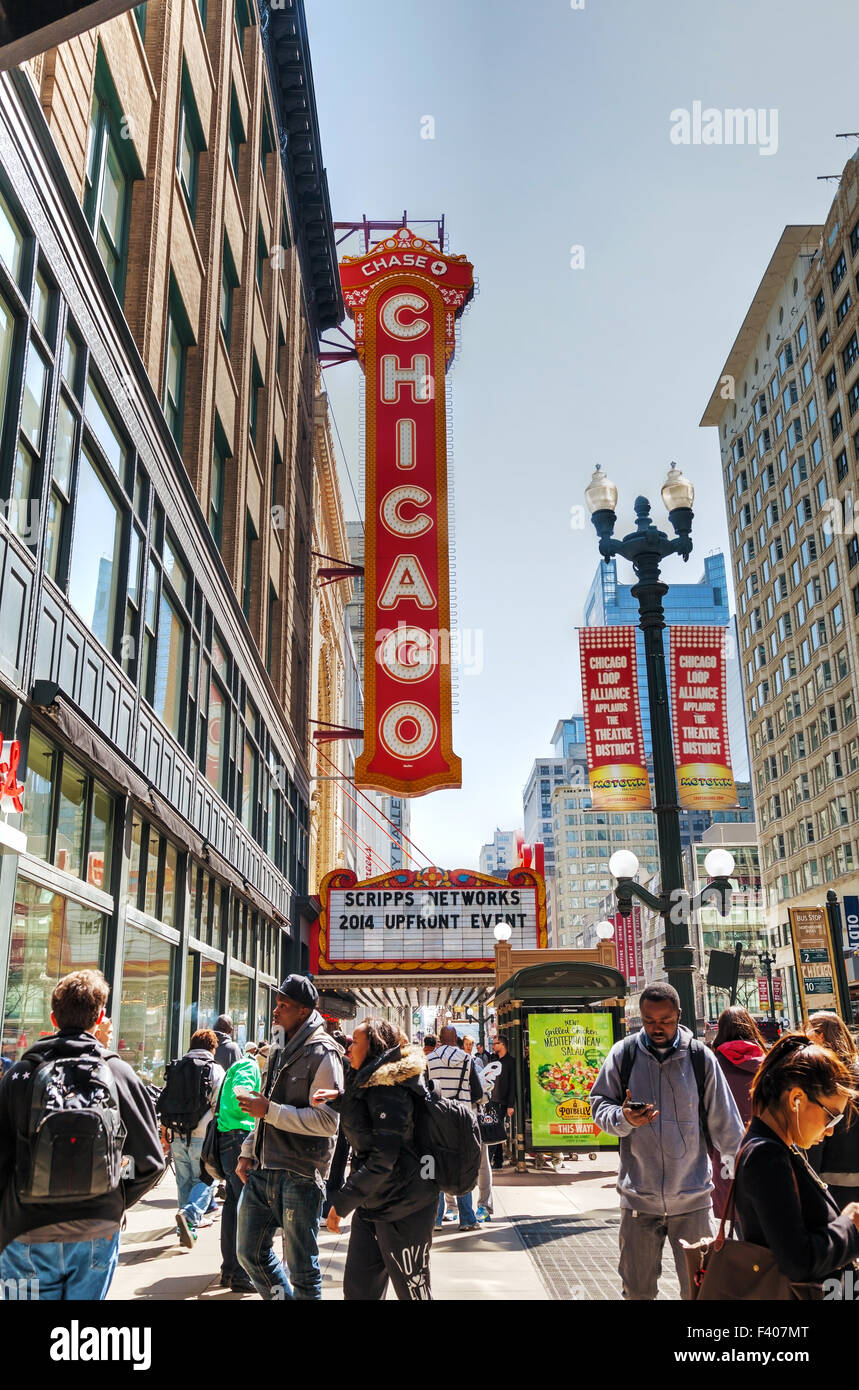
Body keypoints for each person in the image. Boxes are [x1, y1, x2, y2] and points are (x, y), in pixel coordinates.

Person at [0, 969, 165, 1299]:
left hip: (26, 1230)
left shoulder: (20, 1074)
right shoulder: (118, 1073)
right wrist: (112, 1198)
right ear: (100, 1016)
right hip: (97, 1230)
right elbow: (150, 1162)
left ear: (52, 1017)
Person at [589, 982, 745, 1300]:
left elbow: (728, 1127)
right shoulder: (624, 1054)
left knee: (699, 1292)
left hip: (693, 1201)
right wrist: (623, 1118)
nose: (657, 1028)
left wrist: (746, 1172)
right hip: (638, 1202)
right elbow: (599, 1105)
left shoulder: (701, 1058)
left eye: (665, 1020)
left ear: (678, 1015)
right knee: (637, 1292)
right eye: (649, 1020)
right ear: (640, 1016)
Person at [235, 975, 344, 1299]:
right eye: (277, 1003)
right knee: (249, 1253)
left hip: (300, 1173)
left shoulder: (324, 1052)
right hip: (263, 1167)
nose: (276, 1011)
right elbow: (263, 1105)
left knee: (303, 1271)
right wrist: (247, 1149)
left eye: (284, 1005)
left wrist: (269, 1111)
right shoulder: (278, 1046)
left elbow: (328, 1122)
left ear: (304, 1011)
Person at [314, 1020, 438, 1300]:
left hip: (405, 1206)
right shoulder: (372, 1082)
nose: (348, 1049)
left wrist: (341, 1203)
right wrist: (338, 1098)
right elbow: (367, 1110)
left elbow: (384, 1158)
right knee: (359, 1291)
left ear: (375, 1048)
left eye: (355, 1042)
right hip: (375, 1204)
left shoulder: (389, 1088)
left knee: (413, 1292)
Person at [733, 1034, 859, 1291]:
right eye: (831, 1117)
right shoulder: (766, 1156)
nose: (831, 1131)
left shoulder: (773, 1146)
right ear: (796, 1099)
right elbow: (798, 1261)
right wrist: (849, 1224)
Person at [161, 1028, 224, 1247]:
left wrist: (165, 1132)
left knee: (183, 1181)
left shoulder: (177, 1066)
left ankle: (184, 1230)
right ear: (212, 1047)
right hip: (203, 1134)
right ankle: (189, 1216)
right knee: (208, 1178)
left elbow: (166, 1099)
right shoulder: (214, 1069)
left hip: (177, 1133)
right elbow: (220, 1104)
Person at [709, 1006, 768, 1217]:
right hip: (762, 1145)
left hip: (726, 1148)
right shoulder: (767, 1064)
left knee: (729, 1211)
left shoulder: (714, 1066)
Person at [426, 1026, 482, 1231]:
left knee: (434, 1166)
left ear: (440, 1040)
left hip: (436, 1119)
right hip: (463, 1119)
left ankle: (434, 1218)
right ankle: (467, 1218)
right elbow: (477, 1091)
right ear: (456, 1039)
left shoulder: (430, 1059)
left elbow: (425, 1090)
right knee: (464, 1165)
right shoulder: (467, 1059)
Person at [215, 1050, 261, 1292]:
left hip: (229, 1139)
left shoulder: (239, 1067)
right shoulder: (249, 1065)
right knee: (245, 1208)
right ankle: (241, 1273)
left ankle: (230, 1270)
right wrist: (258, 1108)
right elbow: (239, 1098)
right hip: (238, 1138)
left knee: (234, 1207)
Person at [805, 1012, 859, 1208]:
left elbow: (815, 1133)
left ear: (820, 1035)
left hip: (832, 1181)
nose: (804, 1035)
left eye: (807, 1029)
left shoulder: (823, 1075)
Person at [489, 1035, 515, 1170]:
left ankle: (496, 1160)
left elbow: (512, 1084)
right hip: (492, 1101)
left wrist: (511, 1105)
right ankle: (496, 1161)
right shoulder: (493, 1059)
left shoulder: (510, 1062)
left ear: (502, 1045)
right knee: (495, 1130)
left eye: (495, 1044)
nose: (493, 1046)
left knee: (496, 1131)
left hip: (502, 1102)